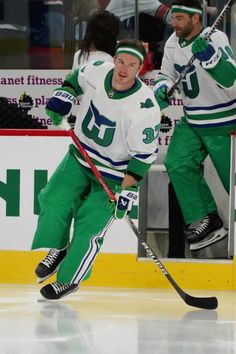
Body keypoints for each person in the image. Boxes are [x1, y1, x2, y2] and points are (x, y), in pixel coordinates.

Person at [31, 38, 161, 300]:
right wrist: (63, 95)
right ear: (114, 60)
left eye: (132, 65)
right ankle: (58, 249)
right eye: (121, 61)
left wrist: (128, 190)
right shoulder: (97, 69)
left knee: (90, 225)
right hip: (80, 158)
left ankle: (69, 279)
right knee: (53, 199)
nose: (124, 69)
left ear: (140, 69)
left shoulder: (145, 107)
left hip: (114, 175)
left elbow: (143, 156)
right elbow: (75, 79)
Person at [154, 0, 236, 252]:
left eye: (179, 18)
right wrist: (162, 89)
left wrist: (211, 58)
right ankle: (208, 218)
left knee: (231, 181)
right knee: (176, 162)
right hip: (192, 119)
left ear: (195, 19)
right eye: (173, 18)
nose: (174, 23)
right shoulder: (172, 43)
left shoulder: (216, 37)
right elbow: (165, 75)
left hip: (224, 120)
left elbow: (231, 79)